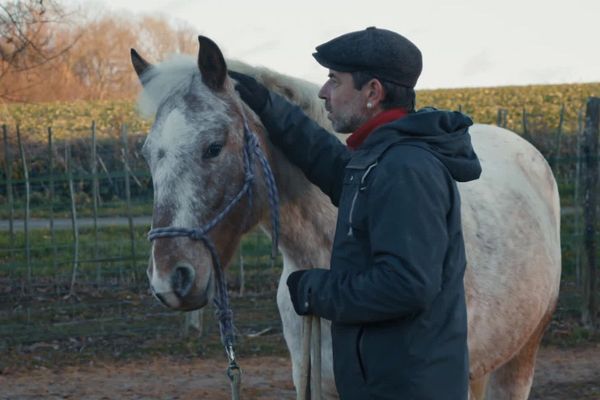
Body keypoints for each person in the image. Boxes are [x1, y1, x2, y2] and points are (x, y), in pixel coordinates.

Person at [230, 26, 481, 400]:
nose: (323, 92)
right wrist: (270, 107)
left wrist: (316, 289)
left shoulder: (405, 170)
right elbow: (334, 166)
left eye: (335, 80)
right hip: (392, 381)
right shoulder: (384, 156)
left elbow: (406, 285)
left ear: (373, 93)